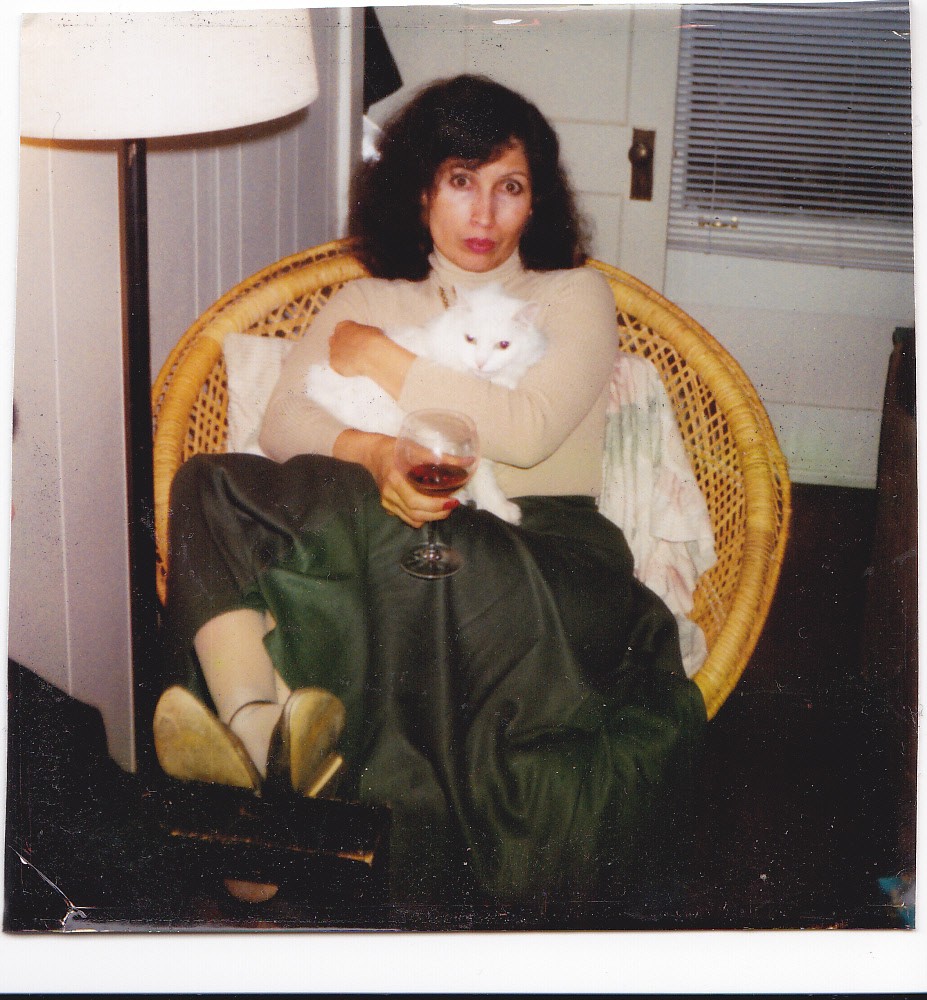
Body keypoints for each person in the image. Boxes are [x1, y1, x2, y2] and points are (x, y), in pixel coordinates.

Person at [153, 74, 706, 910]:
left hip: (544, 559)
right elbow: (285, 420)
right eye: (460, 181)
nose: (484, 214)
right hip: (400, 536)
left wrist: (381, 358)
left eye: (509, 187)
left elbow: (523, 429)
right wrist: (378, 455)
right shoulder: (365, 297)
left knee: (398, 547)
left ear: (536, 203)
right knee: (211, 484)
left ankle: (270, 814)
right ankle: (257, 740)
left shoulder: (570, 295)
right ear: (420, 191)